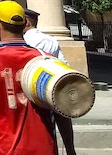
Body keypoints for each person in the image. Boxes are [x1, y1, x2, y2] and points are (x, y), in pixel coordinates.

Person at [0, 0, 56, 155]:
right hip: (43, 147)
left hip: (4, 148)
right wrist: (70, 148)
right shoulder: (46, 60)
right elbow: (61, 107)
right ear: (25, 24)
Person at [23, 9, 76, 155]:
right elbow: (63, 63)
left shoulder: (26, 41)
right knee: (62, 116)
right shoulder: (51, 40)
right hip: (52, 87)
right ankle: (70, 149)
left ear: (26, 22)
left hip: (32, 89)